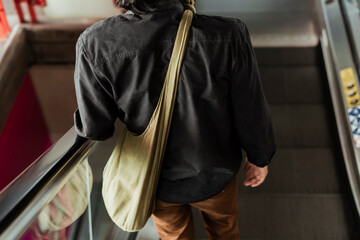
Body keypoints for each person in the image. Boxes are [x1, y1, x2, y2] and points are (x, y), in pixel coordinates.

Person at [73, 0, 276, 239]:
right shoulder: (229, 34)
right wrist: (259, 157)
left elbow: (96, 127)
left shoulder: (95, 43)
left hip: (156, 180)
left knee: (174, 236)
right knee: (225, 228)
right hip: (215, 172)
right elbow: (249, 108)